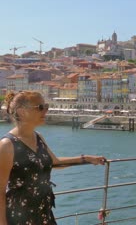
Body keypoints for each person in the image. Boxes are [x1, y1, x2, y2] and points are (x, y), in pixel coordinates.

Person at [0, 91, 107, 224]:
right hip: (19, 216)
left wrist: (86, 158)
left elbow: (54, 162)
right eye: (40, 107)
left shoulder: (38, 137)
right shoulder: (7, 145)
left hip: (44, 212)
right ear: (22, 112)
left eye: (46, 106)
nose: (45, 111)